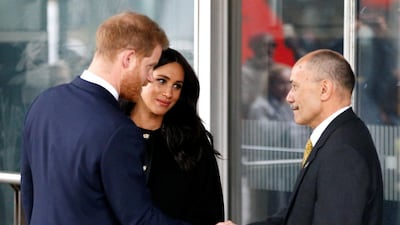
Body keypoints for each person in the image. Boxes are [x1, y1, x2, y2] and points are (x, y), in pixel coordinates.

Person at [20, 11, 190, 225]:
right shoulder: (119, 130)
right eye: (149, 67)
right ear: (128, 59)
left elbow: (29, 193)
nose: (148, 78)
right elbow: (139, 220)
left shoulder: (43, 104)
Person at [246, 49, 384, 225]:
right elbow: (297, 216)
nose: (289, 97)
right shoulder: (337, 137)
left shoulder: (342, 152)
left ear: (324, 90)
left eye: (295, 86)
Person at [119, 48, 225, 225]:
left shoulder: (192, 142)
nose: (169, 93)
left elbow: (210, 213)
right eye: (162, 81)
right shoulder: (111, 134)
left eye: (177, 86)